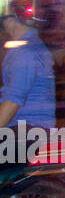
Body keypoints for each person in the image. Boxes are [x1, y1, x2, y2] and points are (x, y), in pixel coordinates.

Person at [0, 12, 55, 140]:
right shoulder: (29, 45)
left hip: (28, 129)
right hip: (26, 127)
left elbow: (13, 101)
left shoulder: (25, 53)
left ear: (11, 21)